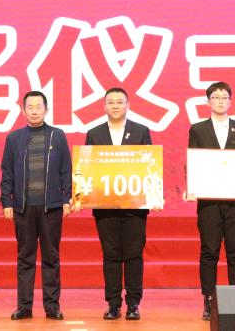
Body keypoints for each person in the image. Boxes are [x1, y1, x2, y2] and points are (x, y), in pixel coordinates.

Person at [0, 90, 72, 321]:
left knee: (51, 257)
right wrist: (7, 200)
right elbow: (7, 172)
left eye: (38, 107)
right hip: (23, 207)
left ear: (46, 110)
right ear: (23, 111)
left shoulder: (57, 136)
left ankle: (52, 306)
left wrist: (67, 198)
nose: (34, 111)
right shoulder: (14, 138)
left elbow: (66, 169)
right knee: (25, 257)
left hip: (51, 206)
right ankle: (24, 306)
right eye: (29, 107)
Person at [82, 87, 152, 321]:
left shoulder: (141, 131)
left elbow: (150, 166)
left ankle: (133, 304)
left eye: (119, 102)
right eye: (110, 102)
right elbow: (87, 168)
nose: (115, 106)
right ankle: (113, 304)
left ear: (128, 105)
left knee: (133, 255)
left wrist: (153, 193)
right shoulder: (94, 134)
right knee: (110, 255)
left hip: (135, 205)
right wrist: (81, 194)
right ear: (104, 106)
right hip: (104, 206)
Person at [187, 81, 235, 322]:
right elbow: (192, 160)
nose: (221, 101)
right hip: (209, 201)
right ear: (208, 102)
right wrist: (192, 187)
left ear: (230, 101)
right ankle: (209, 299)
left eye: (225, 97)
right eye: (216, 97)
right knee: (209, 250)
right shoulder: (198, 129)